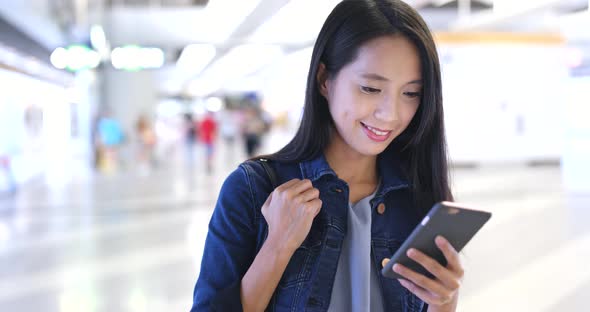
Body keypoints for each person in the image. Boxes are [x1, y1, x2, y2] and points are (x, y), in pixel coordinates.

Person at [190, 1, 461, 311]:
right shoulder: (254, 190)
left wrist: (445, 301)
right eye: (371, 88)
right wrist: (277, 246)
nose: (391, 114)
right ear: (324, 79)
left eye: (411, 93)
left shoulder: (418, 197)